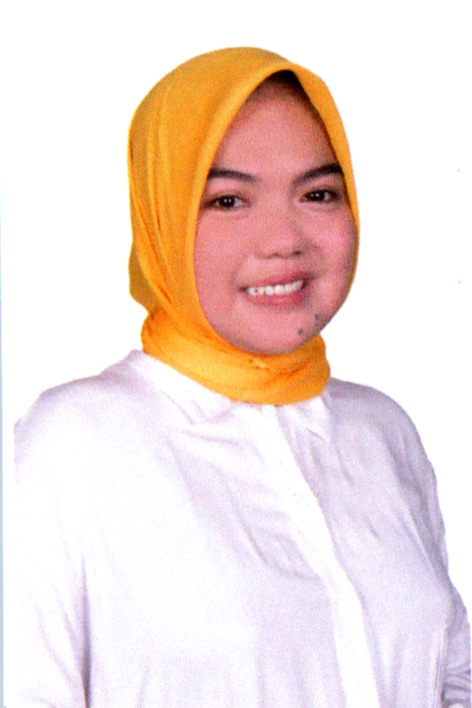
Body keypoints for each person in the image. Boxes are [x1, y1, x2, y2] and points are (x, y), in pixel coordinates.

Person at [11, 47, 470, 706]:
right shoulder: (74, 444)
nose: (284, 239)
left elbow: (450, 675)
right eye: (227, 200)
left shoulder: (381, 430)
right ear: (162, 217)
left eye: (317, 194)